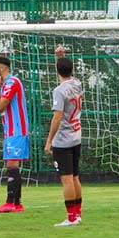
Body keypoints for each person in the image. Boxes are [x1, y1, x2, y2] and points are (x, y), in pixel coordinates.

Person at [43, 46, 84, 226]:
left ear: (58, 71)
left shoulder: (58, 91)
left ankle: (71, 218)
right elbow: (64, 74)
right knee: (75, 177)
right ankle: (77, 214)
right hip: (76, 136)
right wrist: (61, 57)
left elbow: (57, 116)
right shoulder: (77, 83)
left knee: (66, 178)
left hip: (64, 140)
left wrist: (49, 141)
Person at [0, 56, 29, 213]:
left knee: (12, 165)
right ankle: (17, 203)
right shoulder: (7, 83)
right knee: (12, 165)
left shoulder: (12, 82)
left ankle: (9, 203)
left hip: (16, 130)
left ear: (1, 68)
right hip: (11, 130)